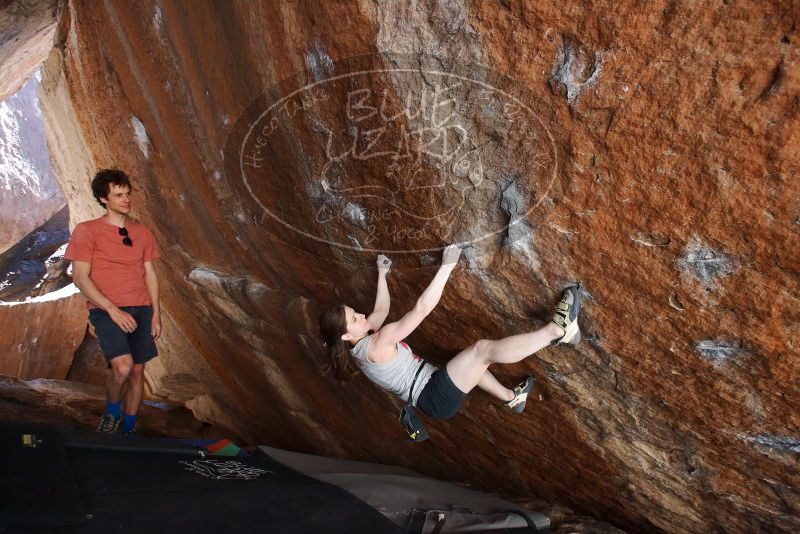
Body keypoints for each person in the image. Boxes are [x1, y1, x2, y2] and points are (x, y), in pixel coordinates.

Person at [318, 244, 581, 425]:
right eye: (355, 318)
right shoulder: (376, 343)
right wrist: (447, 266)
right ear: (344, 336)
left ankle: (513, 399)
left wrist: (383, 275)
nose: (362, 316)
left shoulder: (355, 345)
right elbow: (419, 311)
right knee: (481, 351)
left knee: (469, 364)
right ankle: (559, 330)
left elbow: (380, 310)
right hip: (433, 396)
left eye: (355, 312)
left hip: (429, 391)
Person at [64, 169, 161, 434]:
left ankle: (128, 429)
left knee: (138, 371)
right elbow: (81, 279)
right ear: (104, 199)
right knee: (123, 366)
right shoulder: (87, 231)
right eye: (119, 195)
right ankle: (111, 414)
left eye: (127, 193)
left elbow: (151, 274)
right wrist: (112, 309)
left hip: (141, 308)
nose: (126, 199)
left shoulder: (142, 232)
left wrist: (156, 314)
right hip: (106, 309)